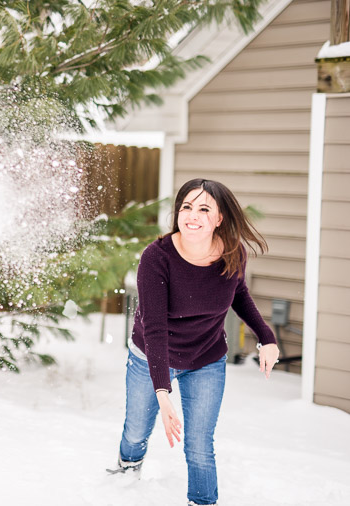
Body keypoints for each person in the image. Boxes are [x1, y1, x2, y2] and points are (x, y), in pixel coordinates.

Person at [108, 178, 281, 506]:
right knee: (136, 430)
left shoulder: (233, 253)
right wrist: (162, 391)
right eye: (186, 206)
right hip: (151, 357)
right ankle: (125, 478)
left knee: (200, 443)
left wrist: (266, 337)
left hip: (206, 358)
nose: (192, 214)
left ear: (219, 218)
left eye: (204, 208)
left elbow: (239, 294)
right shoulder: (157, 258)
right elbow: (155, 328)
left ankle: (202, 502)